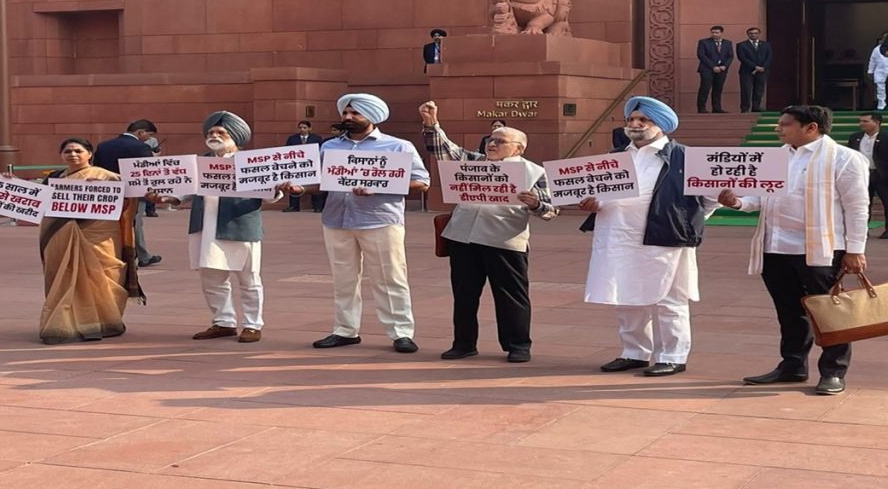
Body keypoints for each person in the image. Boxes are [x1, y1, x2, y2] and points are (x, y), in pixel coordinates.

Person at [718, 106, 869, 395]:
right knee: (788, 310)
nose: (779, 129)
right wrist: (737, 202)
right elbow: (761, 196)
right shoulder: (776, 157)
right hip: (776, 245)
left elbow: (857, 207)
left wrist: (855, 250)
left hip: (822, 248)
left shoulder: (845, 158)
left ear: (810, 128)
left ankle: (834, 371)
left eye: (785, 124)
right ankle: (793, 365)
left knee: (830, 311)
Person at [579, 96, 719, 376]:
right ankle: (634, 352)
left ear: (661, 125)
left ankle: (673, 355)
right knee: (627, 296)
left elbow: (710, 199)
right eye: (631, 119)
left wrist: (685, 221)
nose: (635, 124)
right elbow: (601, 195)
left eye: (644, 120)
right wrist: (593, 203)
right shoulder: (613, 158)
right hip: (619, 238)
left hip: (666, 238)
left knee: (669, 299)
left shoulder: (685, 157)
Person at [280, 93, 430, 353]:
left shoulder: (397, 147)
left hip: (380, 220)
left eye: (355, 114)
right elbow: (320, 182)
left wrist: (378, 186)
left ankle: (401, 333)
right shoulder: (329, 147)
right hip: (337, 219)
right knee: (343, 278)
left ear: (372, 116)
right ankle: (345, 330)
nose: (348, 118)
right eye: (346, 113)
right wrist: (300, 189)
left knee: (389, 277)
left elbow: (422, 182)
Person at [419, 101, 559, 363]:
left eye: (500, 141)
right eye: (490, 140)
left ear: (519, 148)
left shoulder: (534, 172)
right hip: (463, 238)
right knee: (464, 295)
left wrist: (535, 204)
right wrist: (431, 124)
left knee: (510, 297)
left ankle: (517, 345)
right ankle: (463, 343)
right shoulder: (473, 161)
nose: (492, 145)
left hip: (504, 242)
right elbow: (444, 150)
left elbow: (551, 212)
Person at [149, 112, 281, 343]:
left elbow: (271, 196)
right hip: (204, 226)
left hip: (240, 226)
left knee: (248, 278)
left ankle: (252, 324)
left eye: (221, 132)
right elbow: (185, 189)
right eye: (211, 132)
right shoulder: (199, 162)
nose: (214, 135)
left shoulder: (252, 163)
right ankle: (223, 322)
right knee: (211, 278)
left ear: (235, 137)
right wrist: (168, 198)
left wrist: (280, 186)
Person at [38, 138, 145, 344]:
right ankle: (65, 323)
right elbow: (40, 201)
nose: (73, 155)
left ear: (89, 154)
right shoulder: (55, 177)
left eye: (78, 150)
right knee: (65, 276)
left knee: (103, 276)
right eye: (67, 151)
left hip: (99, 235)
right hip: (60, 235)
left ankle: (104, 321)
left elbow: (126, 204)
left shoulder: (108, 177)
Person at [93, 119, 162, 267]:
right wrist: (154, 159)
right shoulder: (141, 147)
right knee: (133, 224)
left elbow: (96, 169)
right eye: (148, 135)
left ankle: (111, 254)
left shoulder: (103, 146)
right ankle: (140, 256)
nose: (148, 139)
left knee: (110, 224)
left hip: (108, 191)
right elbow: (149, 171)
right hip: (134, 193)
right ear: (140, 132)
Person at [848, 112, 888, 239]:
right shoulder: (855, 137)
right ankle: (862, 231)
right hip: (862, 175)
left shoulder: (886, 137)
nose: (862, 124)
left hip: (882, 175)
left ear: (876, 123)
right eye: (861, 121)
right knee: (863, 203)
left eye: (865, 121)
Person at [282, 120, 323, 212]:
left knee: (313, 185)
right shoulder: (292, 138)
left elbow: (320, 151)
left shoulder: (316, 138)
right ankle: (294, 206)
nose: (302, 129)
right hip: (296, 165)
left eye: (304, 127)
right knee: (294, 185)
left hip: (312, 165)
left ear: (309, 128)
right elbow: (287, 151)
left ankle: (317, 206)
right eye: (300, 127)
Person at [696, 25, 734, 113]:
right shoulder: (704, 42)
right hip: (707, 69)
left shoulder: (727, 43)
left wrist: (725, 66)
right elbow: (701, 55)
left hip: (722, 69)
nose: (714, 34)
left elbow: (730, 56)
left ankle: (717, 108)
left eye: (717, 32)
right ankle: (701, 108)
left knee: (718, 88)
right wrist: (713, 66)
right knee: (705, 88)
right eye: (713, 32)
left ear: (721, 33)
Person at [736, 27, 772, 113]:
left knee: (759, 90)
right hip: (746, 71)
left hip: (762, 71)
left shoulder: (766, 44)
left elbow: (769, 57)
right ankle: (745, 108)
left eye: (755, 33)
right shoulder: (741, 45)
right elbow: (742, 58)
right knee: (746, 90)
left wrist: (763, 67)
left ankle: (756, 107)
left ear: (759, 34)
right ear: (748, 34)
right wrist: (754, 66)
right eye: (751, 33)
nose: (753, 35)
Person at [143, 137, 162, 217]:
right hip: (138, 167)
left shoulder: (153, 140)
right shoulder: (134, 141)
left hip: (150, 167)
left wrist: (157, 151)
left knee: (150, 189)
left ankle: (150, 210)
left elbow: (157, 152)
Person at [868, 40, 888, 111]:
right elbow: (872, 60)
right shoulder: (877, 49)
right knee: (880, 89)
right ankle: (881, 105)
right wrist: (870, 71)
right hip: (881, 72)